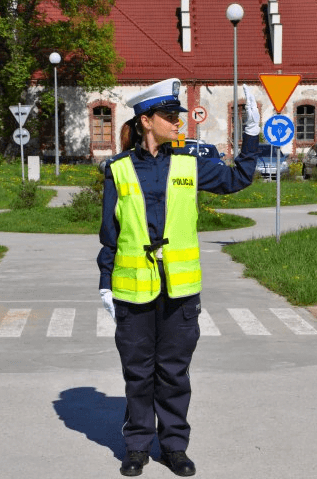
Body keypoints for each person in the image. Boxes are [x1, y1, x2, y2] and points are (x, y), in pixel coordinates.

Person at [97, 78, 260, 477]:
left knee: (173, 372)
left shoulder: (190, 163)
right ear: (146, 121)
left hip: (181, 288)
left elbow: (237, 178)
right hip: (133, 290)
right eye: (170, 117)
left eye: (179, 116)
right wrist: (105, 282)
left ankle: (174, 447)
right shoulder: (117, 170)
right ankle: (136, 447)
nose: (178, 123)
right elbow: (110, 233)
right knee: (138, 373)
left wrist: (252, 136)